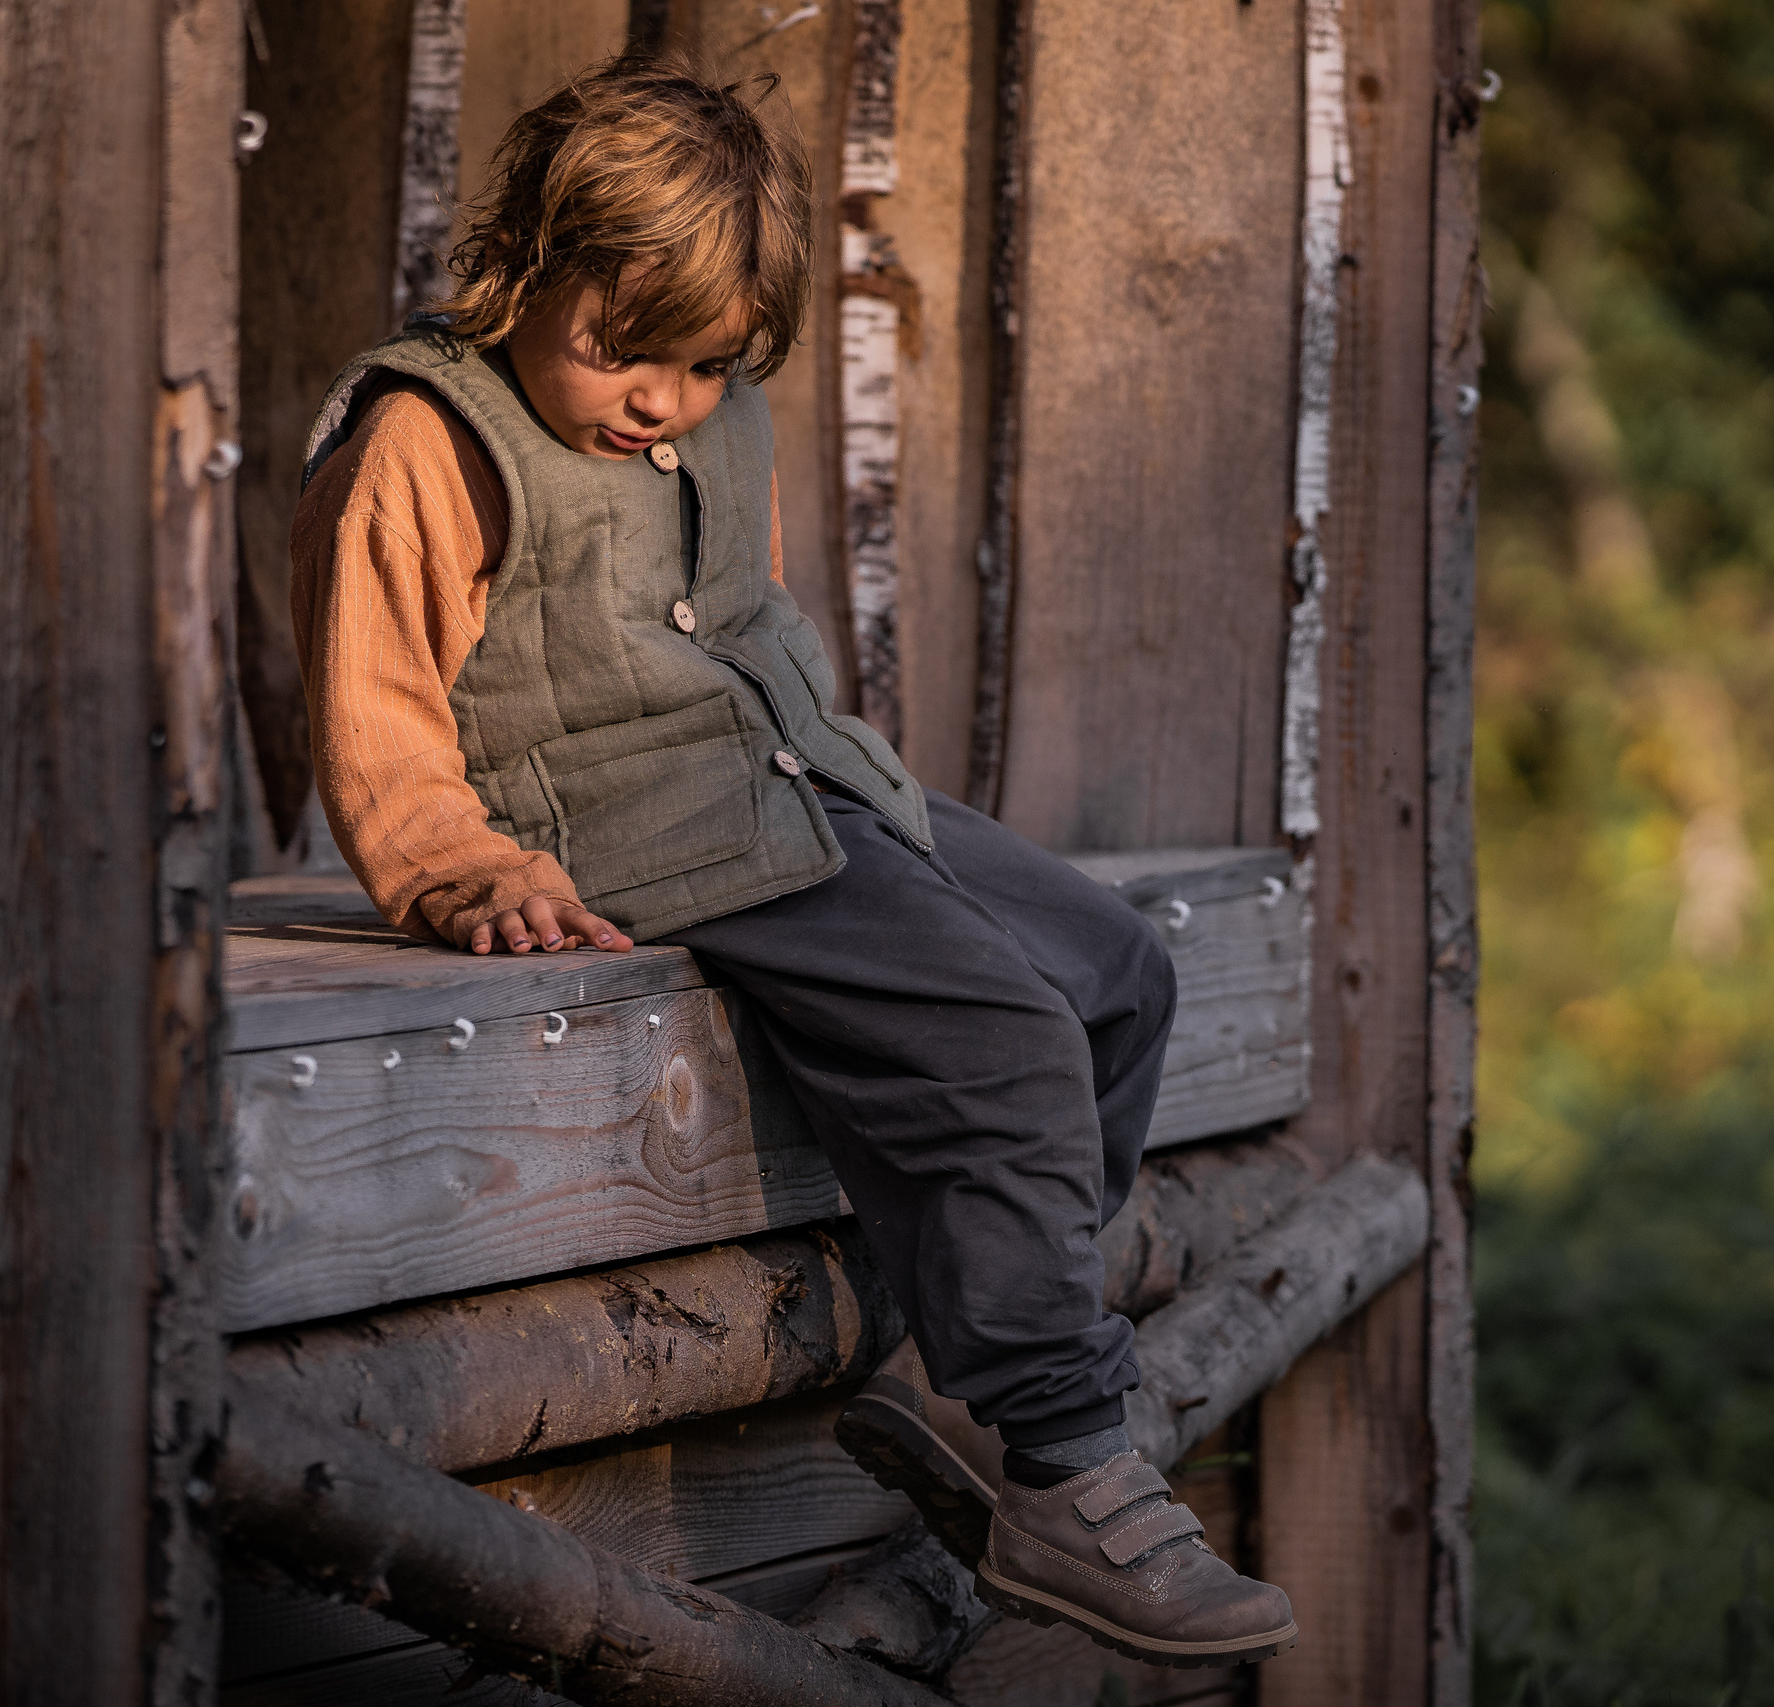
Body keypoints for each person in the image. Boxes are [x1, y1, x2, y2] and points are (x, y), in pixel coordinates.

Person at [288, 54, 1295, 1668]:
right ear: (526, 266)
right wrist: (461, 868)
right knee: (1004, 1040)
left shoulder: (711, 409)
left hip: (804, 781)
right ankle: (1058, 1458)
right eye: (623, 350)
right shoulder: (428, 439)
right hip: (636, 834)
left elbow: (732, 629)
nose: (662, 401)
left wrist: (842, 774)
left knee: (1116, 975)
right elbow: (380, 714)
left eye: (706, 367)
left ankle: (959, 1386)